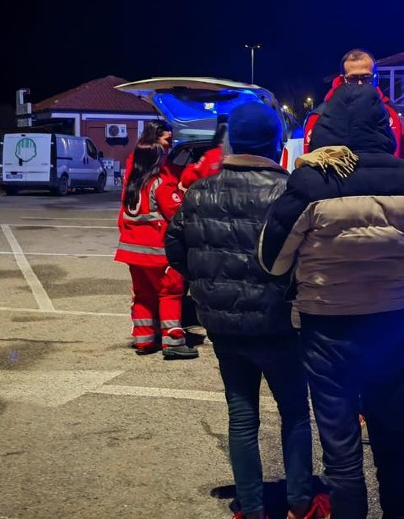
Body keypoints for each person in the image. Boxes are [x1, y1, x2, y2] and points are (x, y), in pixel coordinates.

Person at [260, 83, 404, 519]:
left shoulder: (311, 180)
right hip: (388, 325)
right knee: (392, 442)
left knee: (341, 451)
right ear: (383, 126)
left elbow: (272, 260)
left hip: (327, 329)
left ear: (327, 126)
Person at [166, 102, 329, 519]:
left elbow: (176, 249)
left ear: (231, 140)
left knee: (242, 415)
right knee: (294, 413)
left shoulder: (200, 191)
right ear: (276, 143)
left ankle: (252, 508)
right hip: (280, 324)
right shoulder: (288, 192)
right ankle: (299, 502)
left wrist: (207, 284)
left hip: (223, 326)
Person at [115, 121, 197, 359]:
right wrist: (181, 193)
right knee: (169, 293)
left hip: (132, 252)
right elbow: (176, 213)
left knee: (142, 295)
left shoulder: (133, 183)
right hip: (158, 252)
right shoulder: (160, 184)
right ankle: (172, 341)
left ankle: (144, 339)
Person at [303, 49, 404, 162]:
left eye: (366, 78)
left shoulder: (391, 112)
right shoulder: (319, 117)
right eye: (353, 79)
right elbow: (309, 164)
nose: (360, 84)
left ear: (376, 78)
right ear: (342, 79)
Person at [179, 114, 229, 191]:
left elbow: (187, 179)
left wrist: (192, 166)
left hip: (212, 200)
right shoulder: (248, 157)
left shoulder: (212, 155)